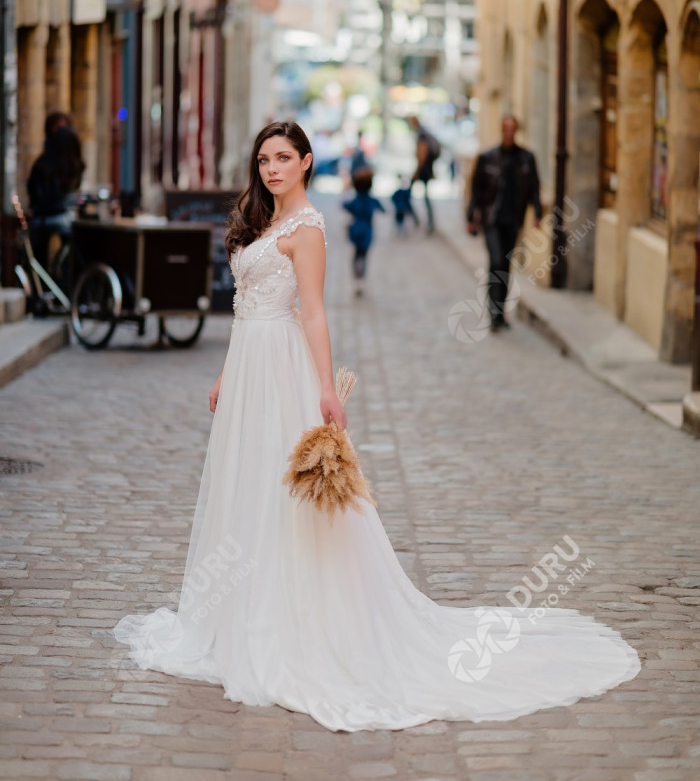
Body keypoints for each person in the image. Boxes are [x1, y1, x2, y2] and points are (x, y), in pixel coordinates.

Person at [112, 118, 640, 732]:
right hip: (248, 370)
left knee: (287, 493)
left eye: (284, 158)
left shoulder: (308, 228)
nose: (273, 169)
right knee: (245, 486)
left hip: (283, 368)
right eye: (264, 160)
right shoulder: (262, 222)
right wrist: (227, 374)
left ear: (308, 163)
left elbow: (311, 313)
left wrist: (324, 390)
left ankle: (295, 622)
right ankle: (235, 612)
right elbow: (243, 308)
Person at [466, 114, 542, 331]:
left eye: (512, 128)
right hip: (492, 219)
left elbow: (535, 188)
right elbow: (476, 190)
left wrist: (537, 212)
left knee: (506, 266)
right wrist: (472, 217)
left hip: (513, 219)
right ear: (501, 130)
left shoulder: (526, 158)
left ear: (516, 130)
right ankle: (492, 311)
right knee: (497, 260)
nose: (509, 132)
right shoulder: (487, 157)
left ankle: (500, 313)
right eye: (506, 128)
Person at [26, 119, 85, 269]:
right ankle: (66, 274)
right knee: (75, 238)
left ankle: (44, 280)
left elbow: (32, 190)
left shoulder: (43, 163)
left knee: (40, 256)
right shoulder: (72, 165)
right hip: (59, 218)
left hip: (42, 219)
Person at [342, 166, 385, 293]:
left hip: (355, 229)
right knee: (364, 255)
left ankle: (356, 278)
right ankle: (361, 279)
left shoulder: (355, 200)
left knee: (356, 254)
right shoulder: (372, 200)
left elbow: (344, 206)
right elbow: (383, 209)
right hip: (367, 231)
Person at [407, 114, 441, 234]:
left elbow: (422, 155)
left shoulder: (421, 135)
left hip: (423, 170)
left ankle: (427, 223)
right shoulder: (423, 133)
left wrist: (416, 172)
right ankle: (426, 222)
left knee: (411, 196)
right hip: (426, 169)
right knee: (424, 197)